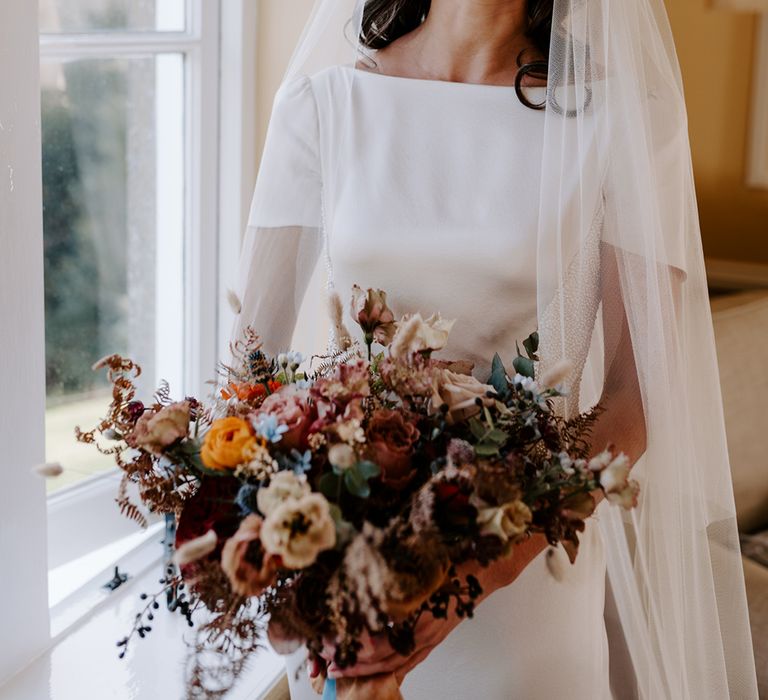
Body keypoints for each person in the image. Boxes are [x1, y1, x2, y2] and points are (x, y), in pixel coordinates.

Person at [233, 0, 759, 697]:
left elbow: (638, 399)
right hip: (353, 574)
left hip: (526, 580)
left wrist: (479, 573)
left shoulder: (624, 123)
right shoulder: (322, 105)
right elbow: (250, 377)